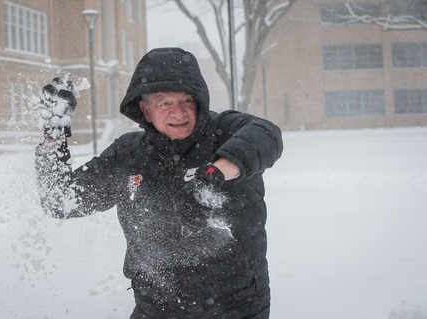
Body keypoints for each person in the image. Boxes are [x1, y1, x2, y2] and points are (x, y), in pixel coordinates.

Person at [35, 47, 283, 318]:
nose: (179, 113)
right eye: (165, 103)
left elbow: (266, 135)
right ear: (146, 110)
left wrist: (213, 175)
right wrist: (53, 135)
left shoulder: (224, 132)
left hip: (234, 306)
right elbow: (60, 200)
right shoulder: (128, 154)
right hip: (155, 307)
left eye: (187, 100)